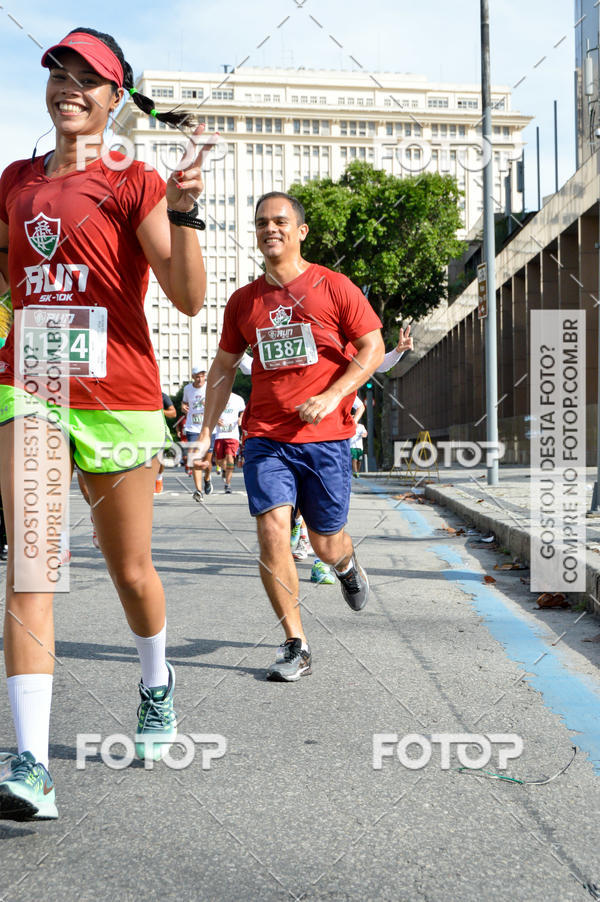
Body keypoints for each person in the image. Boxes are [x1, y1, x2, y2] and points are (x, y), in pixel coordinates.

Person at [0, 27, 209, 821]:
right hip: (30, 389)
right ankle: (31, 767)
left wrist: (185, 214)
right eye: (59, 72)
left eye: (87, 78)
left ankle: (156, 683)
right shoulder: (15, 181)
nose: (69, 87)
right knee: (32, 564)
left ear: (116, 98)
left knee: (131, 571)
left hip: (118, 395)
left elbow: (187, 297)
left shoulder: (133, 180)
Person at [196, 191, 384, 682]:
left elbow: (372, 346)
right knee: (273, 533)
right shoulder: (244, 301)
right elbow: (223, 367)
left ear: (301, 231)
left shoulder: (333, 286)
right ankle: (295, 642)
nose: (270, 229)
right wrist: (204, 433)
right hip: (266, 437)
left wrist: (333, 394)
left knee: (325, 543)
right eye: (262, 222)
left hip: (325, 438)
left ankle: (345, 565)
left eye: (280, 221)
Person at [181, 367, 214, 499]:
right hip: (193, 428)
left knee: (207, 462)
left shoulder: (210, 387)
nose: (200, 379)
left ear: (205, 376)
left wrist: (210, 404)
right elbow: (184, 403)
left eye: (202, 376)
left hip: (208, 427)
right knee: (195, 459)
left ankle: (207, 478)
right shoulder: (187, 389)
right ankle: (198, 491)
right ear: (193, 377)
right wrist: (183, 407)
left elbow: (220, 403)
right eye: (197, 376)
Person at [213, 391, 245, 494]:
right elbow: (209, 412)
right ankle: (224, 470)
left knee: (230, 458)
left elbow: (243, 411)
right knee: (220, 461)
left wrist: (241, 418)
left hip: (232, 434)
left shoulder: (238, 399)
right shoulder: (216, 397)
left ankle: (228, 484)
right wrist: (215, 419)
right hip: (219, 434)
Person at [154, 390, 177, 494]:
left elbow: (173, 413)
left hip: (159, 429)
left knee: (160, 456)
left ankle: (159, 479)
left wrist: (159, 411)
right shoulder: (140, 394)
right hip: (141, 429)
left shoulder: (162, 396)